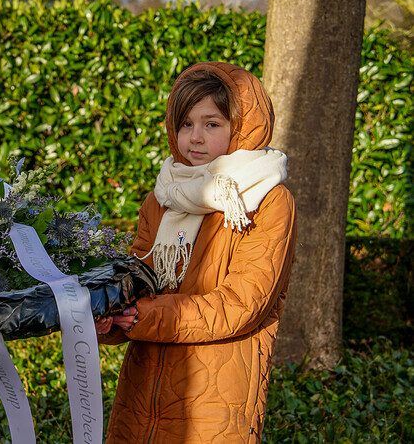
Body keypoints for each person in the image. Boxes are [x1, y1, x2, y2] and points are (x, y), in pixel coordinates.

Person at [97, 62, 297, 442]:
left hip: (216, 392)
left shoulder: (265, 200)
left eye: (212, 124)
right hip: (142, 390)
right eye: (186, 123)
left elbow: (241, 304)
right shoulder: (162, 198)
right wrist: (107, 314)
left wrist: (142, 316)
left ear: (240, 127)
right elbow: (138, 279)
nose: (195, 137)